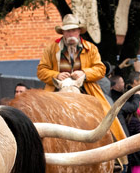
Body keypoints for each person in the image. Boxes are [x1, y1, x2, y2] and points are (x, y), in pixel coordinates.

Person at [37, 13, 125, 142]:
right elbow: (41, 70)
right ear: (63, 33)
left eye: (73, 30)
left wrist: (84, 73)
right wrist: (56, 75)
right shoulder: (51, 49)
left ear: (79, 31)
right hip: (56, 91)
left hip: (87, 89)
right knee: (39, 116)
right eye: (67, 31)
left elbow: (101, 69)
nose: (70, 34)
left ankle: (116, 152)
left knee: (107, 115)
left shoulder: (91, 48)